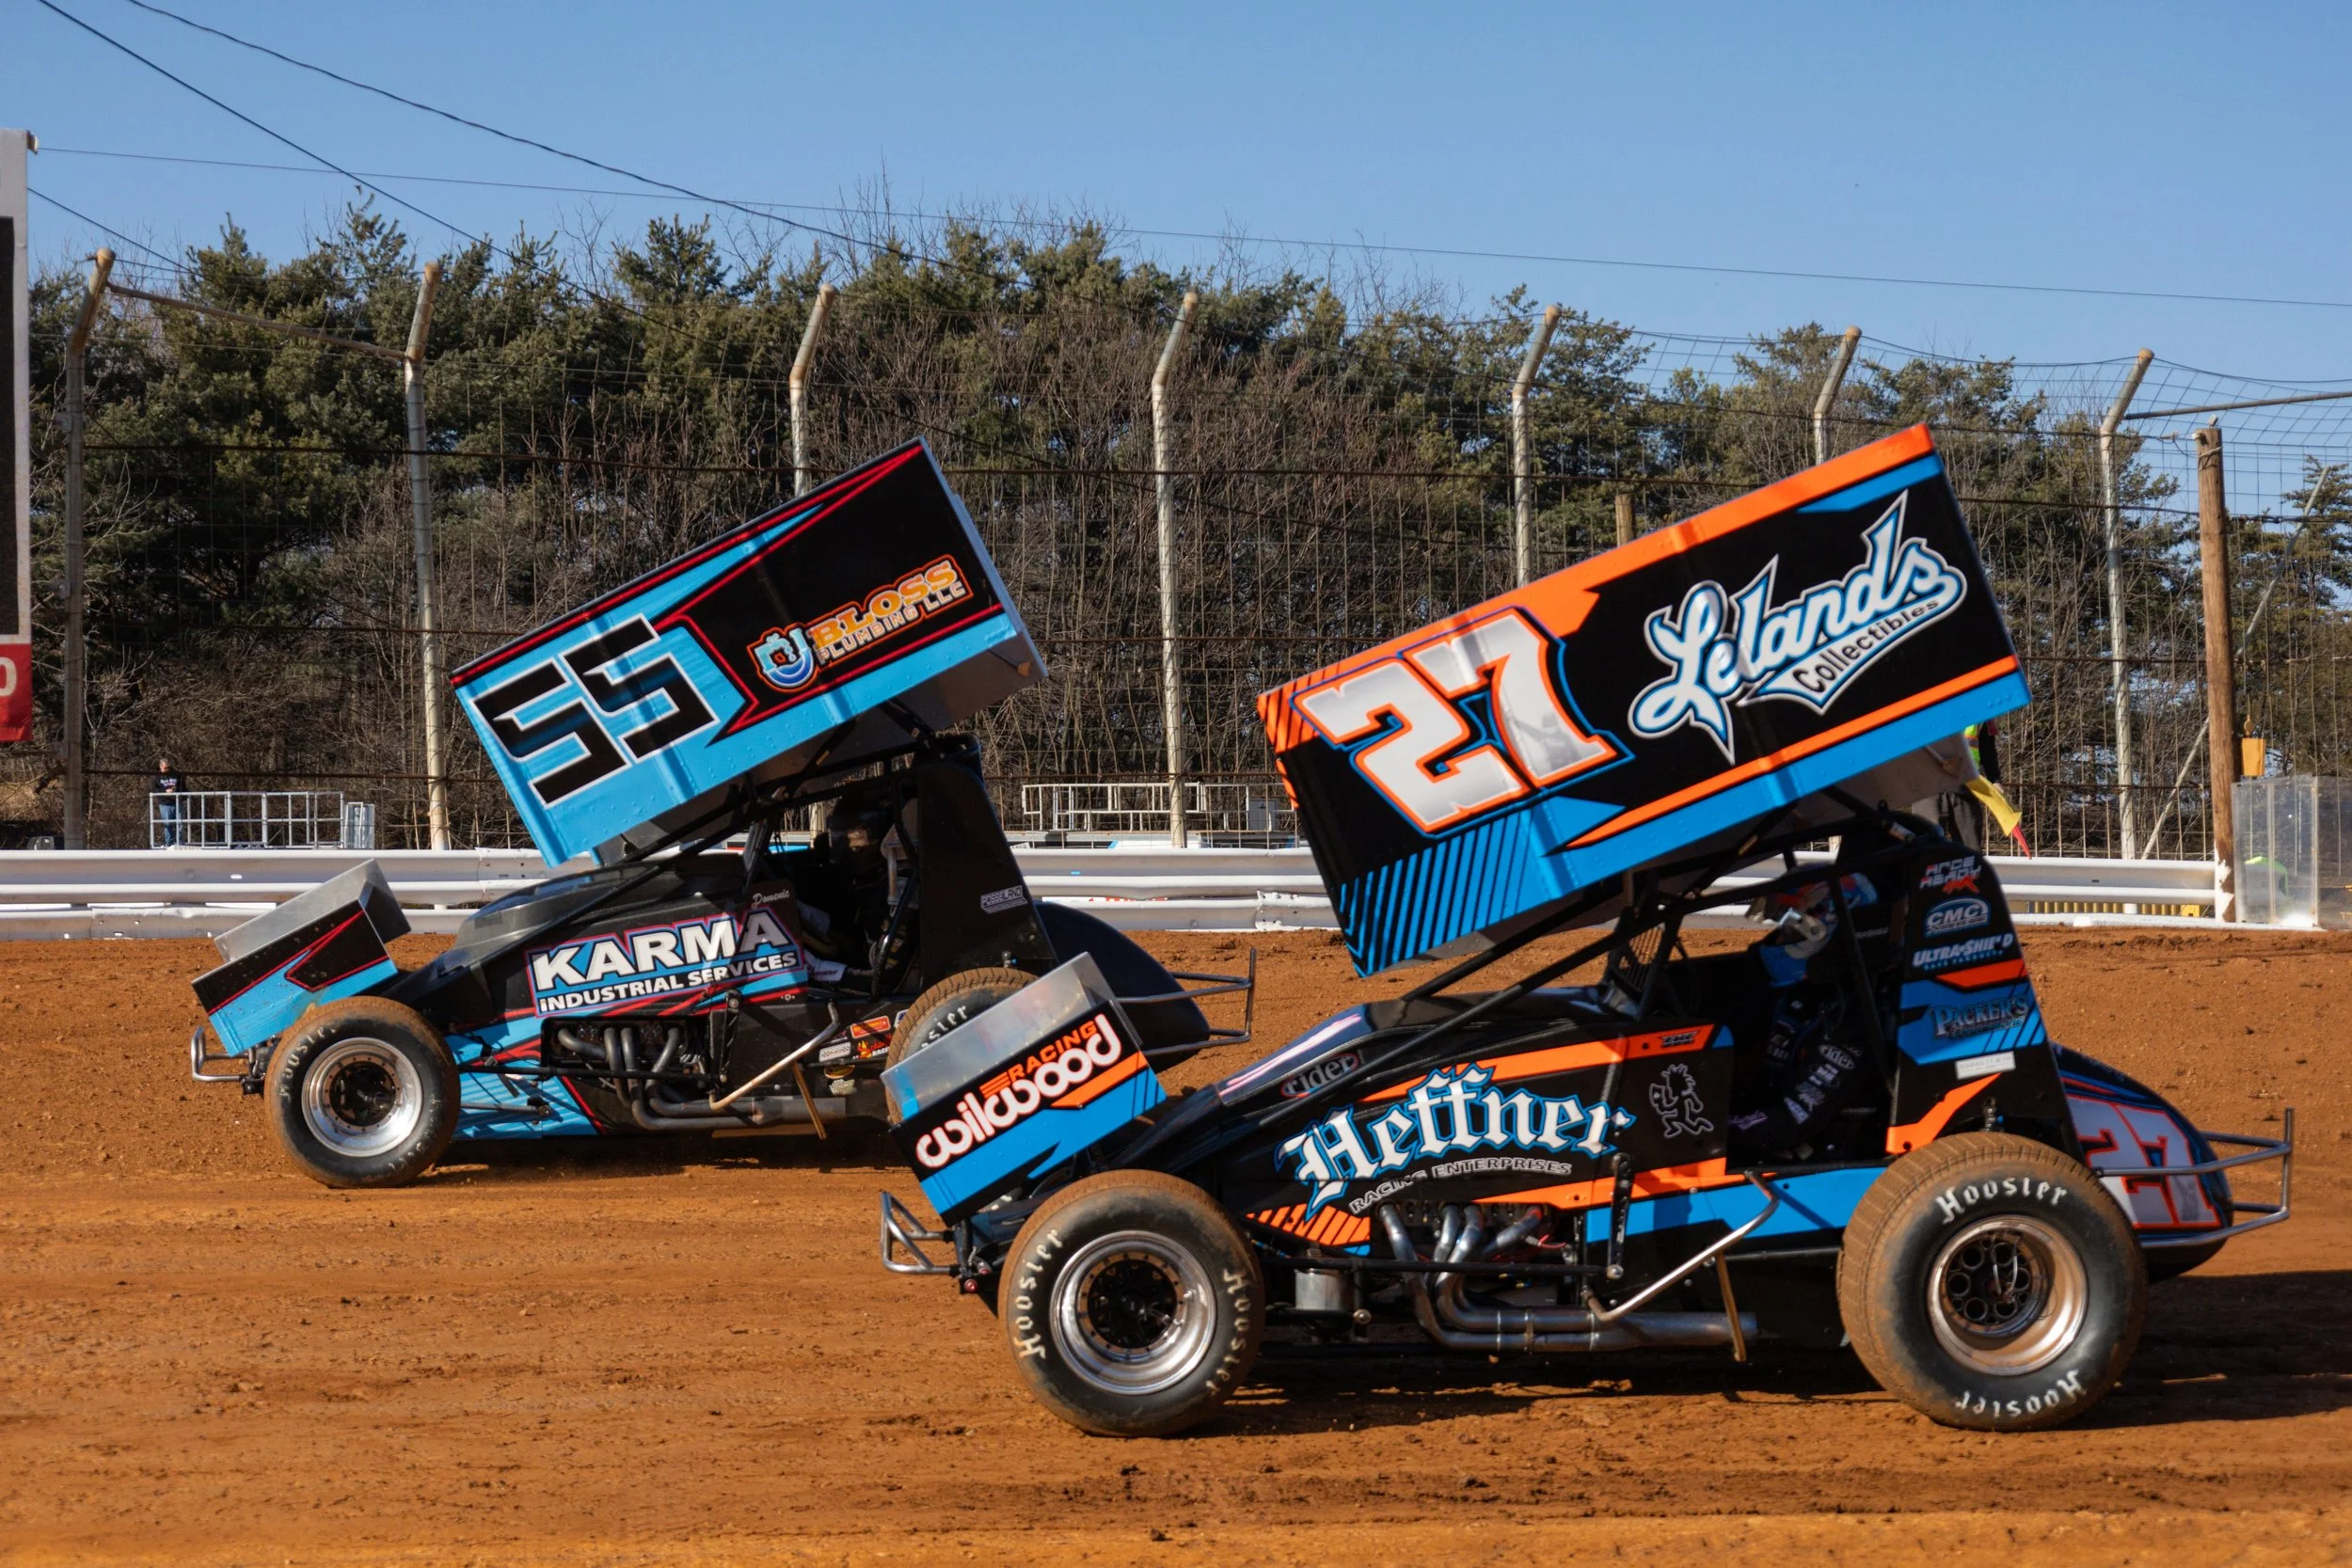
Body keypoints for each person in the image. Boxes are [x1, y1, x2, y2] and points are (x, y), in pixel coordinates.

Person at [151, 756, 187, 847]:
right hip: (165, 803)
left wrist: (179, 792)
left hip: (178, 801)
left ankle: (180, 843)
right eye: (165, 768)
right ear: (160, 767)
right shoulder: (156, 776)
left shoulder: (177, 774)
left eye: (169, 767)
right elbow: (154, 790)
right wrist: (165, 792)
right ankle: (169, 843)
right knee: (167, 824)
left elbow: (184, 787)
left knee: (180, 823)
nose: (168, 769)